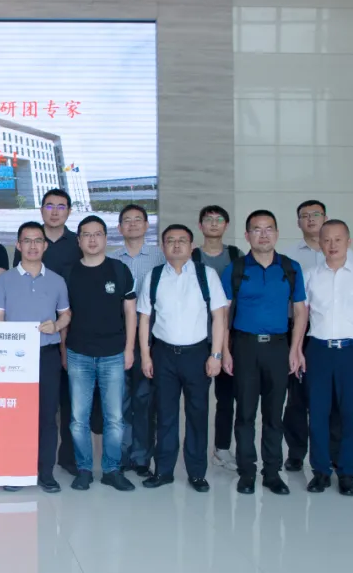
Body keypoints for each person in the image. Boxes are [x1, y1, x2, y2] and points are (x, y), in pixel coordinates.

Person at [220, 210, 306, 496]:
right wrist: (225, 351)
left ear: (277, 234)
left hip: (279, 348)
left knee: (273, 415)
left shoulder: (290, 268)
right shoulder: (235, 269)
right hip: (244, 347)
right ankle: (246, 472)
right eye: (257, 229)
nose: (264, 234)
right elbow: (223, 314)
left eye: (269, 228)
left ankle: (272, 473)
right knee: (245, 413)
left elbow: (300, 311)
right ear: (247, 236)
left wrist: (295, 349)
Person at [137, 224, 227, 493]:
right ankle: (163, 470)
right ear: (163, 246)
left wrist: (216, 355)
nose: (176, 245)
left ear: (191, 246)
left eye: (182, 241)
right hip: (163, 354)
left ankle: (197, 473)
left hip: (197, 354)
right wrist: (145, 356)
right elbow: (144, 319)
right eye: (170, 241)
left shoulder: (206, 275)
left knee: (197, 414)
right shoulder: (154, 276)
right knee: (165, 415)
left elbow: (219, 317)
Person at [303, 220, 353, 496]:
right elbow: (302, 316)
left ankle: (347, 472)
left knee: (350, 414)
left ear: (349, 242)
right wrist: (298, 351)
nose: (332, 245)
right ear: (320, 244)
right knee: (318, 414)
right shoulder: (310, 276)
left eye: (338, 239)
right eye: (326, 240)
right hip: (318, 351)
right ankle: (321, 471)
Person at [0, 222, 71, 493]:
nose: (33, 246)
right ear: (18, 245)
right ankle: (16, 470)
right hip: (14, 358)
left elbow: (66, 315)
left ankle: (45, 472)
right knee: (16, 416)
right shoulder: (4, 280)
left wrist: (57, 325)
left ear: (45, 246)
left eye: (38, 240)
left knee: (48, 416)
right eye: (27, 240)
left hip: (47, 355)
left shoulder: (57, 280)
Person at [59, 216, 136, 492]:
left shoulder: (119, 270)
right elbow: (64, 316)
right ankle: (83, 469)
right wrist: (64, 350)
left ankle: (112, 470)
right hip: (78, 353)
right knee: (78, 418)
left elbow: (130, 312)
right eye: (86, 235)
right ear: (78, 240)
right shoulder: (68, 273)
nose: (92, 240)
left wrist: (129, 349)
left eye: (97, 234)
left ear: (106, 238)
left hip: (113, 354)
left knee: (114, 418)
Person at [12, 190, 85, 472]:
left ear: (69, 211)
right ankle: (27, 459)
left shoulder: (77, 243)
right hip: (37, 334)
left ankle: (67, 457)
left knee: (67, 398)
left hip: (71, 324)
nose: (55, 212)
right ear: (41, 209)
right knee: (35, 403)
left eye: (61, 207)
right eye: (49, 206)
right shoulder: (29, 241)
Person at [283, 199, 353, 472]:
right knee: (297, 397)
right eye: (305, 215)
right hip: (299, 332)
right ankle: (296, 452)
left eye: (316, 214)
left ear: (325, 218)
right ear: (298, 222)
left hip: (332, 334)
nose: (311, 219)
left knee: (333, 399)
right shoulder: (289, 256)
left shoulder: (349, 255)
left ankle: (333, 453)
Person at [108, 204, 165, 477]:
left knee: (144, 399)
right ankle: (121, 455)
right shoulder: (110, 259)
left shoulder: (159, 257)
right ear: (119, 228)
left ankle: (142, 457)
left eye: (138, 220)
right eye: (127, 221)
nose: (132, 224)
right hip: (117, 335)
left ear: (146, 225)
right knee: (119, 400)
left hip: (151, 338)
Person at [193, 205, 244, 472]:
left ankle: (222, 449)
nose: (214, 224)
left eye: (219, 219)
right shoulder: (191, 255)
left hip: (230, 337)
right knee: (197, 399)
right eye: (208, 220)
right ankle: (196, 452)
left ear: (226, 225)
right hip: (197, 337)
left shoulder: (236, 256)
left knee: (226, 398)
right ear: (200, 226)